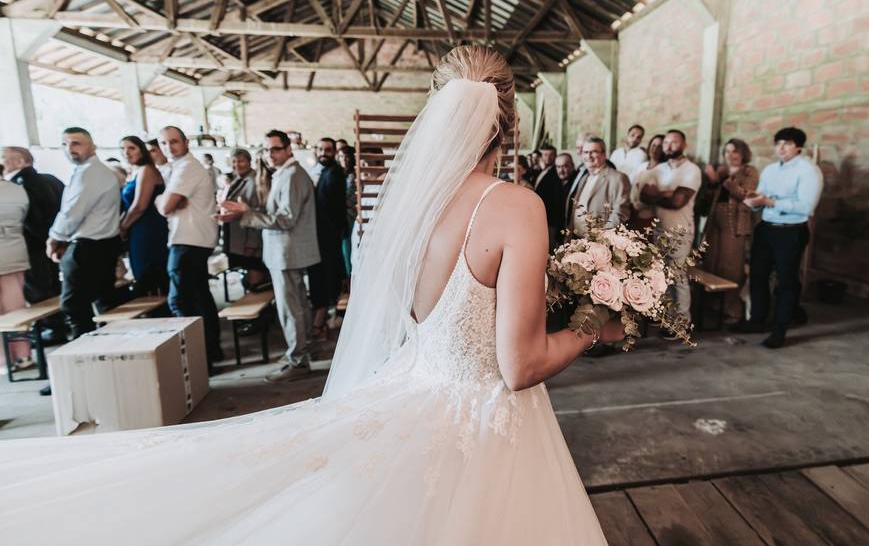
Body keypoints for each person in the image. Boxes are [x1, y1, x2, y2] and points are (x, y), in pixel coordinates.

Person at [0, 45, 616, 545]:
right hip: (484, 425)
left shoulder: (409, 206)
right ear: (509, 124)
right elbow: (519, 366)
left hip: (414, 390)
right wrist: (595, 325)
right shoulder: (516, 206)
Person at [219, 131, 322, 383]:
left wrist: (247, 213)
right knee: (297, 305)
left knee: (291, 308)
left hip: (288, 251)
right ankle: (300, 353)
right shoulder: (284, 174)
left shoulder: (293, 175)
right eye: (266, 150)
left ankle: (297, 361)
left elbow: (286, 219)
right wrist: (245, 212)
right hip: (284, 251)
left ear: (289, 149)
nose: (270, 154)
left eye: (275, 149)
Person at [734, 127, 823, 349]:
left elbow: (806, 206)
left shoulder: (809, 171)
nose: (781, 148)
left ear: (799, 147)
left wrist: (770, 202)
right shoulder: (771, 169)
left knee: (786, 281)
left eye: (787, 143)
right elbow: (761, 195)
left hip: (791, 230)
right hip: (767, 227)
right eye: (778, 143)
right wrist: (753, 200)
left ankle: (780, 330)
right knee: (758, 275)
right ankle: (757, 320)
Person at [155, 126, 223, 370]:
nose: (169, 147)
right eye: (163, 143)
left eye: (174, 141)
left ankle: (196, 360)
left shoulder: (187, 167)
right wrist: (169, 200)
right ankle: (210, 352)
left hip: (188, 240)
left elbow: (165, 207)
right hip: (191, 239)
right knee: (199, 297)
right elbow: (170, 204)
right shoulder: (178, 168)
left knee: (181, 302)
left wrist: (160, 199)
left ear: (185, 142)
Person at [47, 128, 122, 342]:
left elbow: (72, 212)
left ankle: (85, 349)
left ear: (93, 146)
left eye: (76, 143)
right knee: (101, 301)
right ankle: (102, 346)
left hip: (89, 247)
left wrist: (55, 238)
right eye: (65, 144)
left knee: (73, 305)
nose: (70, 148)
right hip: (101, 244)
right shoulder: (95, 171)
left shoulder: (90, 173)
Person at [640, 129, 701, 322]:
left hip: (680, 232)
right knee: (659, 278)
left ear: (684, 145)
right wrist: (667, 193)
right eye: (666, 142)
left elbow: (677, 202)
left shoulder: (692, 170)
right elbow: (644, 195)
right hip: (659, 230)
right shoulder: (658, 169)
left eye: (674, 142)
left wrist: (659, 193)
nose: (668, 145)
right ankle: (666, 319)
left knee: (678, 279)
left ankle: (682, 322)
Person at [702, 139, 759, 325]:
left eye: (734, 152)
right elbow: (709, 200)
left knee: (732, 267)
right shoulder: (722, 171)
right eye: (727, 152)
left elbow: (747, 196)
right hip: (715, 220)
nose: (730, 156)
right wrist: (711, 183)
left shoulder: (749, 171)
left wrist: (724, 181)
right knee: (712, 263)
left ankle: (732, 311)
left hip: (734, 222)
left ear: (743, 153)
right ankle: (714, 306)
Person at [1, 147, 64, 310]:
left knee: (38, 296)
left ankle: (50, 332)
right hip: (53, 244)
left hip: (33, 249)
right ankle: (56, 328)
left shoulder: (19, 186)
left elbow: (31, 220)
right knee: (52, 290)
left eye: (3, 157)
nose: (1, 162)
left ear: (20, 162)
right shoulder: (51, 179)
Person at [118, 136, 169, 297]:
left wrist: (122, 227)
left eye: (131, 148)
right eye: (123, 149)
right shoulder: (135, 172)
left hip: (148, 230)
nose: (126, 152)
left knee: (149, 274)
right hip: (137, 229)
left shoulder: (147, 170)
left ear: (141, 149)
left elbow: (140, 205)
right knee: (141, 273)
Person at [308, 137, 347, 336]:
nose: (324, 153)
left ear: (333, 152)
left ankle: (322, 319)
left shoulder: (335, 174)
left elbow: (334, 208)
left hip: (328, 236)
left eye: (328, 150)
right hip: (316, 236)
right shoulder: (318, 171)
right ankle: (321, 318)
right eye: (321, 149)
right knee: (319, 278)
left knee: (327, 277)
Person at [220, 148, 268, 290]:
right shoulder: (238, 180)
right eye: (234, 161)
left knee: (256, 283)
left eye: (241, 161)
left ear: (249, 162)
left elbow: (255, 213)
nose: (237, 165)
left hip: (250, 242)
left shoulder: (254, 181)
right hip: (239, 239)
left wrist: (252, 245)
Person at [568, 137, 630, 239]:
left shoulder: (617, 178)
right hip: (577, 239)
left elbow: (620, 214)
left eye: (594, 152)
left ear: (604, 154)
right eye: (586, 152)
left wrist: (600, 239)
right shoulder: (584, 178)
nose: (589, 156)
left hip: (598, 242)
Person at [0, 178, 32, 371]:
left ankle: (4, 360)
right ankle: (23, 355)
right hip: (14, 251)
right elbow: (23, 216)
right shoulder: (16, 190)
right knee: (16, 306)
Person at [629, 133, 665, 229]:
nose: (655, 149)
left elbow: (655, 196)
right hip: (633, 213)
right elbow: (634, 188)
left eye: (660, 146)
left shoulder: (663, 170)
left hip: (650, 217)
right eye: (653, 145)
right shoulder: (642, 166)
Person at [534, 145, 564, 250]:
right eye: (545, 155)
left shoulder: (555, 173)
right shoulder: (542, 170)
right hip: (542, 216)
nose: (548, 158)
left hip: (550, 217)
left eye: (552, 155)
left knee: (549, 247)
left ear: (555, 156)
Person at [337, 145, 358, 277]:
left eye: (347, 156)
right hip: (341, 215)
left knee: (349, 247)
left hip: (351, 215)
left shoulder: (355, 174)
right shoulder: (339, 174)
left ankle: (350, 275)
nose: (344, 159)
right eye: (341, 156)